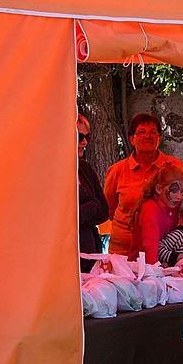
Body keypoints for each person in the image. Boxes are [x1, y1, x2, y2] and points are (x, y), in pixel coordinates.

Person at [103, 113, 183, 256]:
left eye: (153, 132)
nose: (148, 136)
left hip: (168, 251)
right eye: (141, 132)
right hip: (123, 253)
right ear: (131, 139)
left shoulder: (178, 168)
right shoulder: (116, 171)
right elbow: (109, 210)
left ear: (159, 138)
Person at [127, 165, 183, 263]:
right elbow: (150, 245)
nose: (179, 196)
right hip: (141, 265)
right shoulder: (150, 209)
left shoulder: (172, 208)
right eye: (174, 191)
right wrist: (154, 270)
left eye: (182, 191)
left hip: (159, 262)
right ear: (159, 189)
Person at [77, 114, 109, 273]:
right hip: (66, 254)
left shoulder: (85, 169)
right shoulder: (50, 173)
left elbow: (104, 211)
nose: (85, 142)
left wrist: (84, 211)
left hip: (91, 252)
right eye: (79, 136)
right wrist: (92, 206)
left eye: (87, 136)